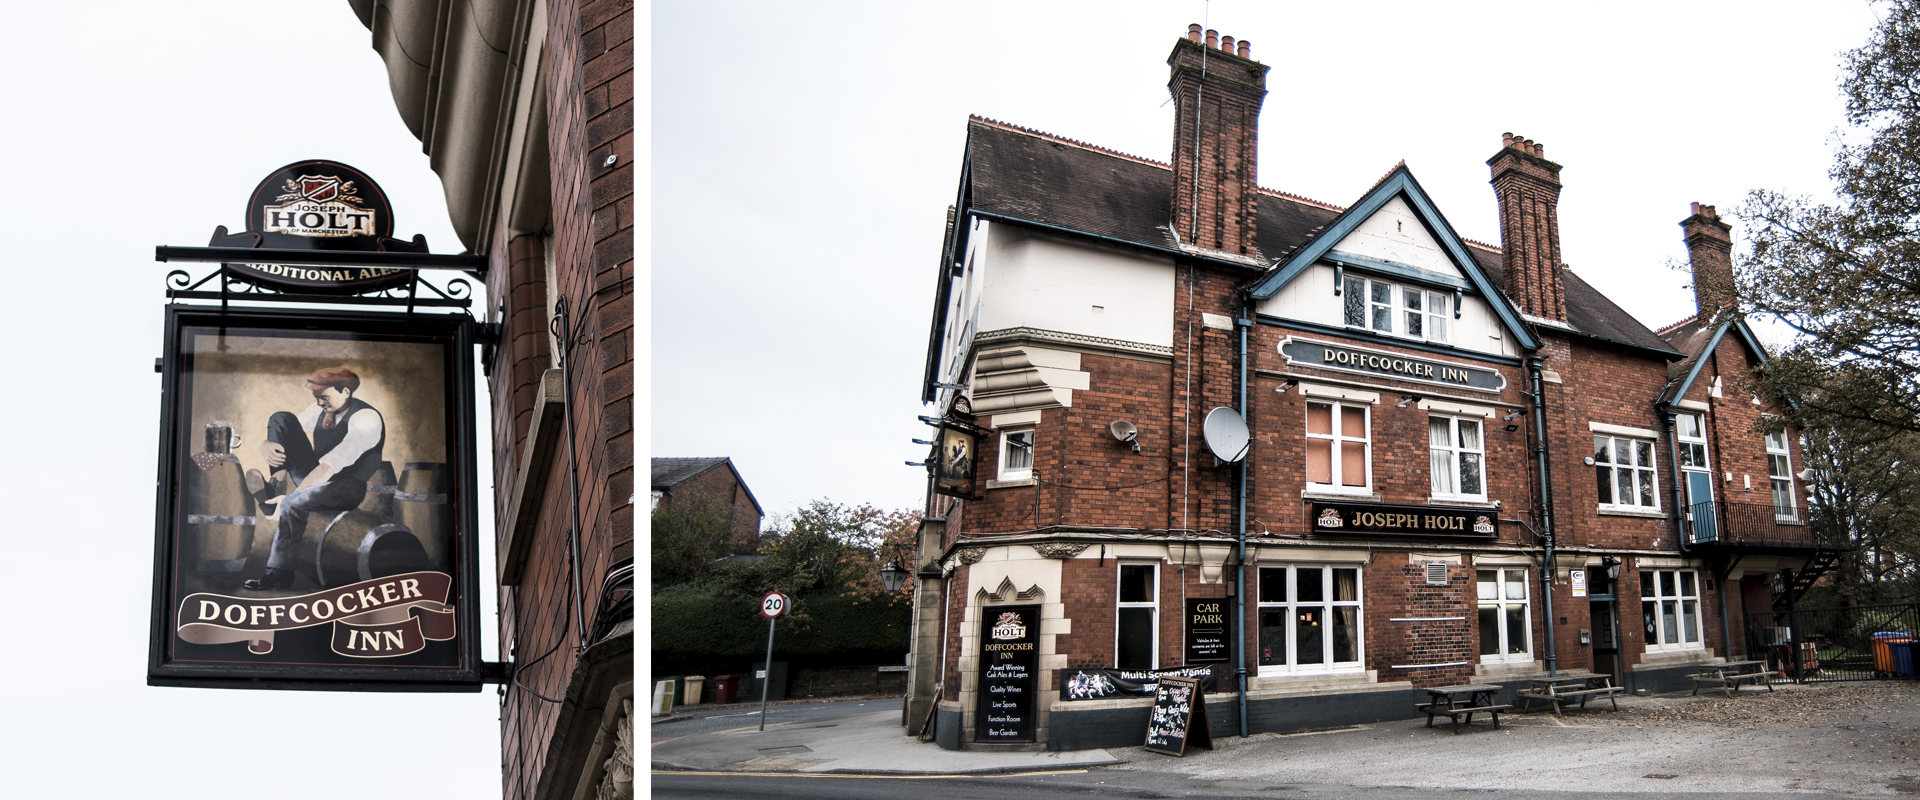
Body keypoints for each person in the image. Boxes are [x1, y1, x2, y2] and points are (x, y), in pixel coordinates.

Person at [242, 367, 386, 591]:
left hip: (346, 485)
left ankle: (280, 572)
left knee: (291, 503)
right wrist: (266, 446)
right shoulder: (324, 408)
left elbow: (330, 465)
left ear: (345, 392)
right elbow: (290, 431)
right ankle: (276, 486)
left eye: (324, 397)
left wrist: (294, 496)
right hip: (316, 475)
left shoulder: (366, 419)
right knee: (281, 419)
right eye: (317, 398)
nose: (319, 403)